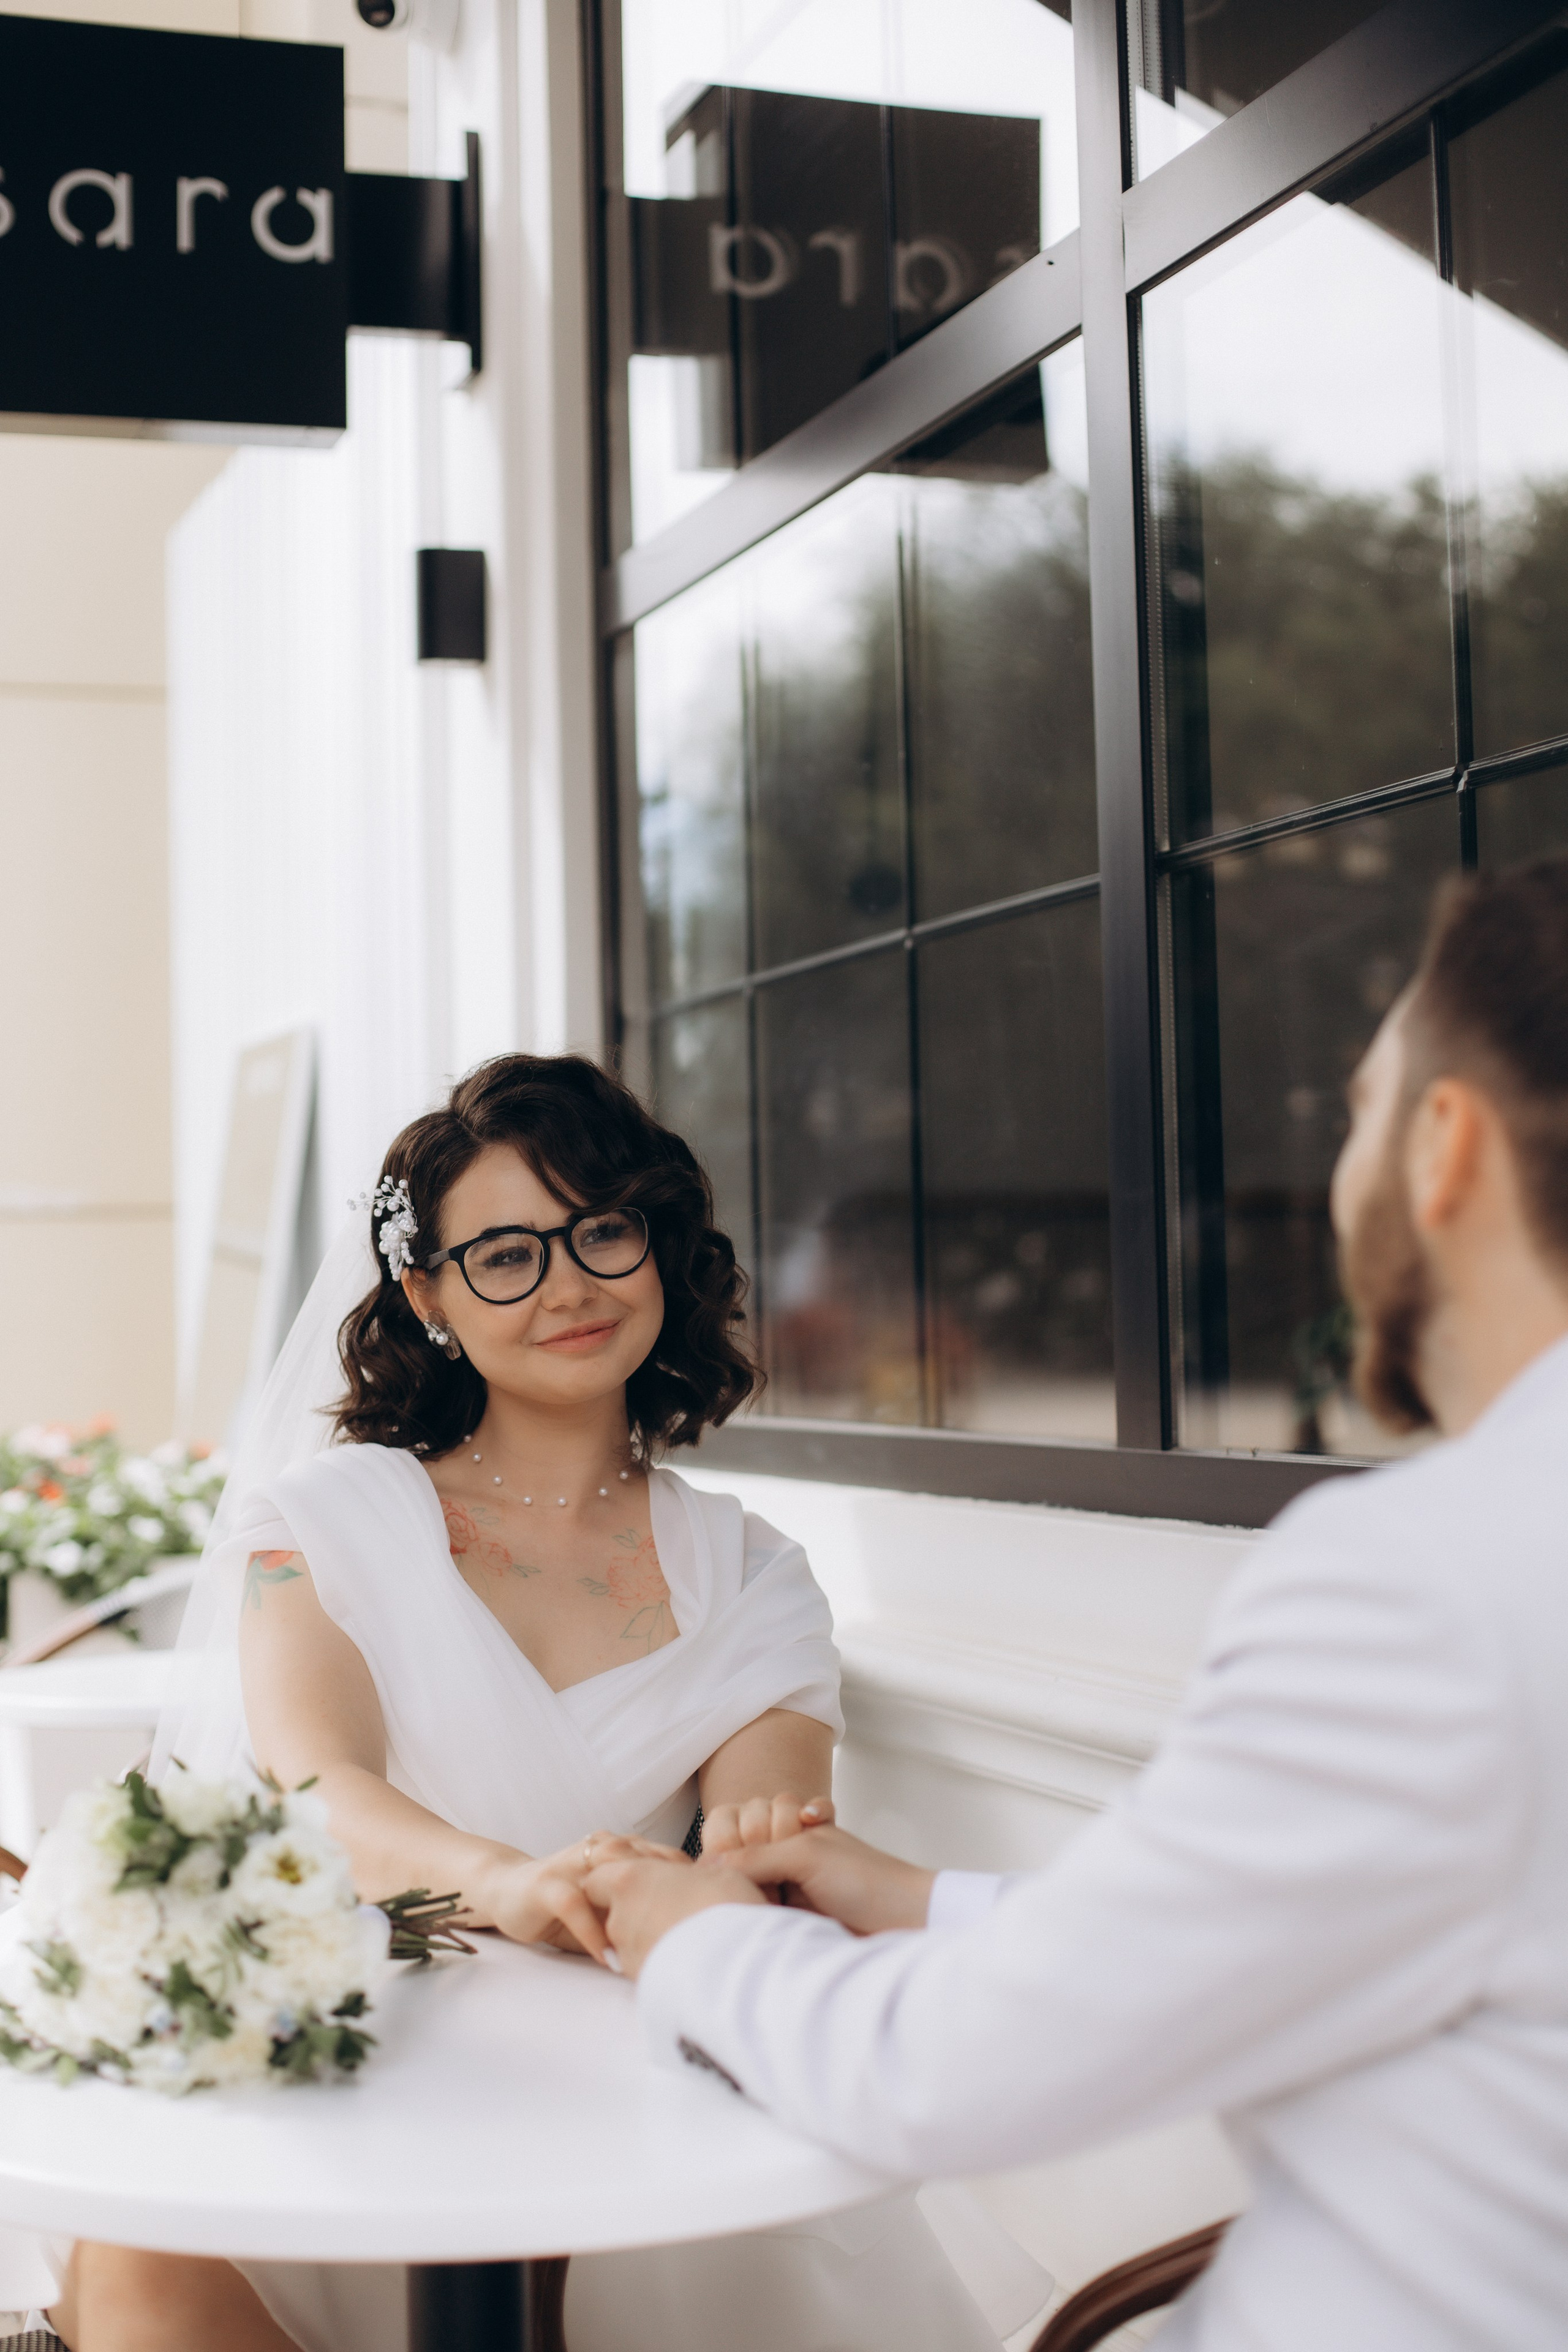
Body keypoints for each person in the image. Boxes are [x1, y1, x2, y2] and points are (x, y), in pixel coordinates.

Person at [586, 854, 1568, 2351]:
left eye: (1359, 1110)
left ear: (1443, 1147)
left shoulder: (1423, 1582)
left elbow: (941, 2077)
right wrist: (918, 1900)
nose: (1337, 1170)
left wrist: (687, 1933)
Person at [44, 1056, 1033, 2352]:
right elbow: (314, 1788)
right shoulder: (318, 1524)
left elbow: (767, 1848)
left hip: (620, 2078)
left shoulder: (756, 1577)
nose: (566, 1284)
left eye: (601, 1232)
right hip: (352, 2059)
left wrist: (720, 1883)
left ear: (658, 1249)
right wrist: (503, 1885)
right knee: (152, 2270)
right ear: (426, 1293)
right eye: (504, 1253)